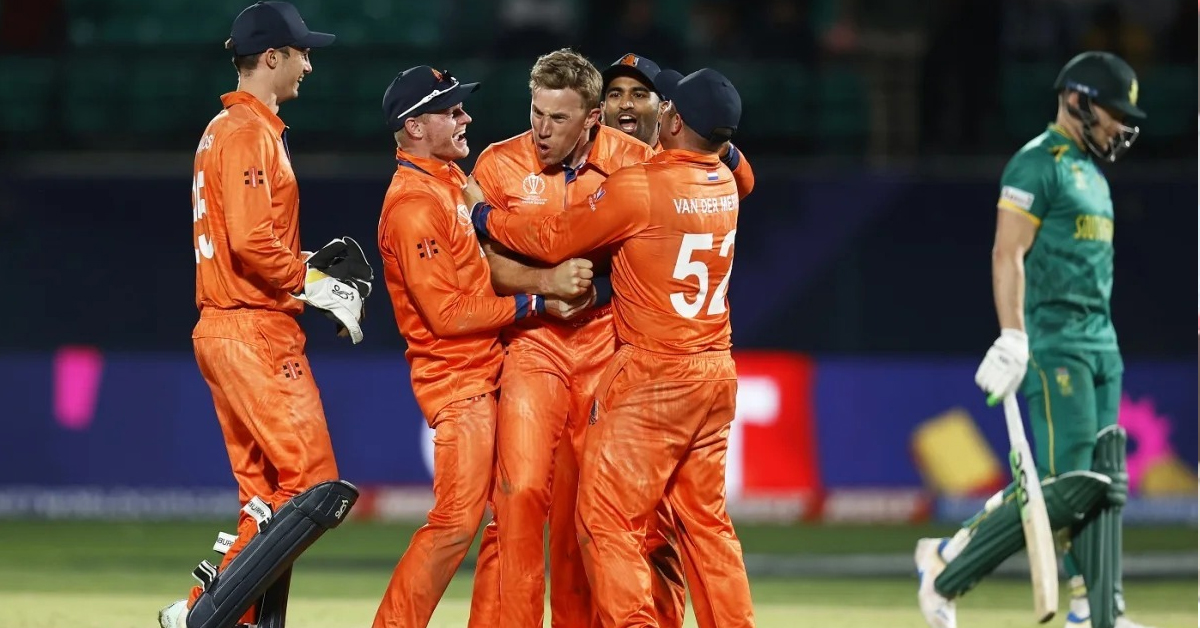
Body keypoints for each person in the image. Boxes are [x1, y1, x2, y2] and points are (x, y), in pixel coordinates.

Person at [468, 66, 756, 628]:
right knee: (707, 525)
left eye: (664, 106)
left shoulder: (641, 184)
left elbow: (554, 238)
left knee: (605, 520)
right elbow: (738, 168)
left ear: (675, 121)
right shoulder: (724, 182)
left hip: (652, 375)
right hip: (715, 371)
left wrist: (482, 213)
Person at [915, 51, 1155, 628]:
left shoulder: (1091, 173)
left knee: (1107, 484)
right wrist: (1013, 337)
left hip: (1101, 341)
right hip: (1057, 341)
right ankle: (948, 562)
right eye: (1115, 113)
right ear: (1077, 101)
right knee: (1072, 485)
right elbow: (1008, 253)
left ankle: (1096, 611)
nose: (1122, 127)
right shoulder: (1036, 165)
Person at [161, 2, 367, 628]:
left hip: (224, 326)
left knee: (266, 497)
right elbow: (253, 243)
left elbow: (246, 239)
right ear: (272, 57)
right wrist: (313, 283)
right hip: (254, 328)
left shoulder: (222, 129)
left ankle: (235, 619)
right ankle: (200, 616)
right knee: (313, 486)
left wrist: (304, 267)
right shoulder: (249, 133)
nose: (308, 65)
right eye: (302, 53)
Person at [369, 65, 585, 628]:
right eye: (451, 111)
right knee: (455, 522)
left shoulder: (448, 179)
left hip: (486, 371)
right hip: (458, 383)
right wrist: (537, 302)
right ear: (415, 127)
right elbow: (446, 315)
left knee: (504, 518)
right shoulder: (414, 206)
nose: (466, 117)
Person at [463, 48, 657, 628]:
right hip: (534, 343)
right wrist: (546, 284)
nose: (541, 130)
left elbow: (655, 249)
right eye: (536, 113)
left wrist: (598, 288)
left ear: (592, 118)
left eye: (558, 118)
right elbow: (484, 265)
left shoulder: (635, 162)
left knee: (584, 512)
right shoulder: (498, 164)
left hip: (606, 345)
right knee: (519, 494)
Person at [600, 53, 755, 199]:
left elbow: (742, 186)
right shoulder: (588, 158)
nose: (625, 104)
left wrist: (721, 147)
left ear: (662, 108)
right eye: (615, 95)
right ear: (602, 108)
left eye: (639, 95)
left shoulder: (686, 153)